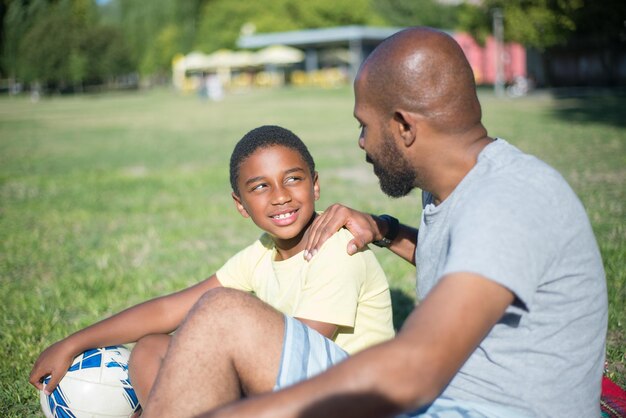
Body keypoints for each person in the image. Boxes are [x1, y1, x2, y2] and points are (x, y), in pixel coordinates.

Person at [143, 27, 608, 418]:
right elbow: (462, 254)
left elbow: (414, 368)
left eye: (365, 124)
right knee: (211, 319)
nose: (361, 142)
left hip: (473, 409)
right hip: (449, 402)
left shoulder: (509, 198)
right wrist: (385, 230)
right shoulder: (460, 187)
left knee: (224, 315)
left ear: (404, 126)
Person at [29, 125, 394, 410]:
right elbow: (171, 309)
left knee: (220, 318)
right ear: (240, 205)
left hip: (348, 401)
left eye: (293, 179)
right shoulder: (263, 253)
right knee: (152, 348)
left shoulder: (338, 248)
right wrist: (73, 342)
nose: (280, 195)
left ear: (315, 185)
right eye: (260, 187)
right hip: (295, 385)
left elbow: (299, 358)